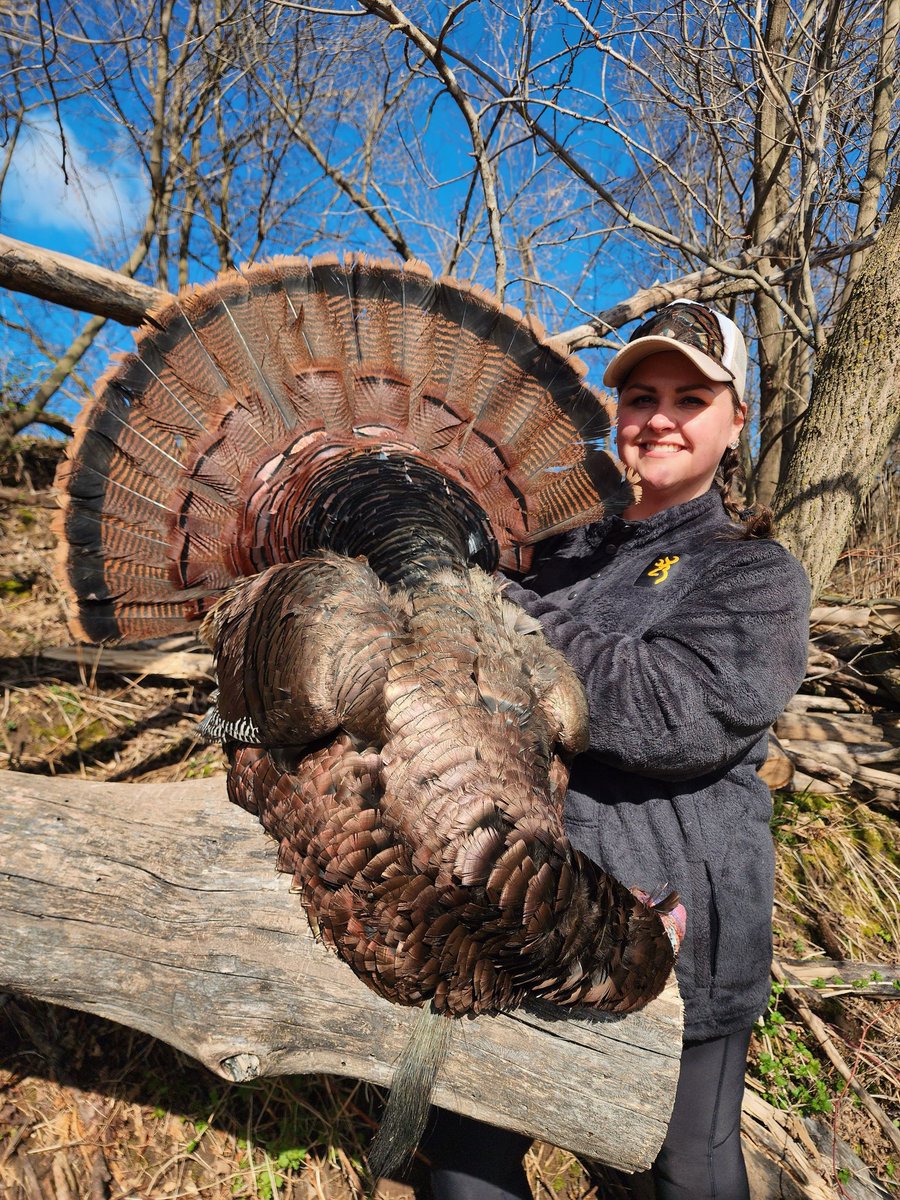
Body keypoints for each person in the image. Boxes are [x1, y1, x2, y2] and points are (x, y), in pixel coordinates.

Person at [419, 300, 811, 1200]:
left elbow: (673, 714)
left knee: (684, 1171)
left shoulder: (754, 574)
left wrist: (492, 606)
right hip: (502, 909)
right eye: (641, 396)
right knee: (468, 1169)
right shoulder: (541, 553)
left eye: (691, 397)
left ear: (736, 419)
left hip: (672, 935)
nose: (661, 417)